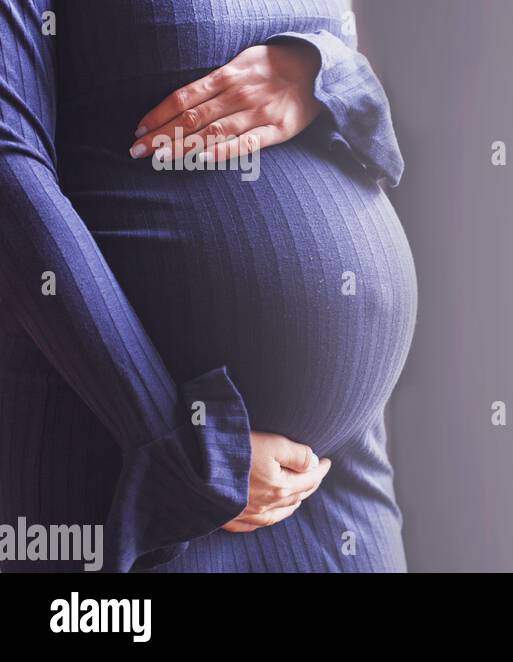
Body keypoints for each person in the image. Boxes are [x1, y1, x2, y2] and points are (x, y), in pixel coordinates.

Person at [0, 0, 417, 571]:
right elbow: (9, 168)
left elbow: (361, 99)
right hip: (133, 465)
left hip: (332, 475)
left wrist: (315, 71)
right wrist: (177, 447)